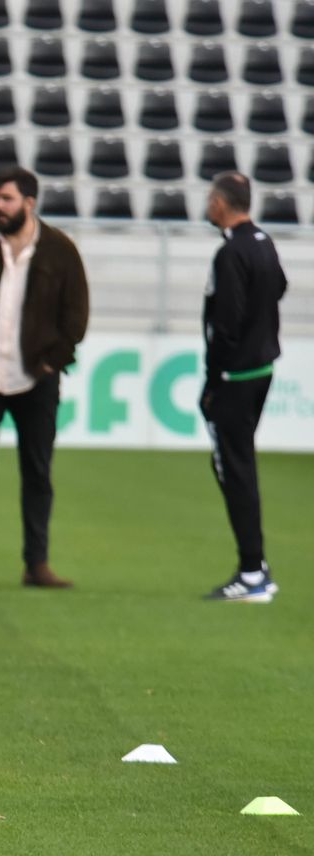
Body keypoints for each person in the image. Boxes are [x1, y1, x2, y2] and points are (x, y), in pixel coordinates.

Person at [0, 167, 89, 589]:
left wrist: (49, 362)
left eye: (5, 198)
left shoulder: (60, 251)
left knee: (38, 473)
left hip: (36, 380)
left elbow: (75, 316)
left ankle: (36, 564)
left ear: (29, 202)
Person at [199, 172, 286, 602]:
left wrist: (212, 382)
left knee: (234, 469)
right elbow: (279, 289)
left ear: (222, 202)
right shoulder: (264, 243)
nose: (207, 205)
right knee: (239, 465)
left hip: (235, 377)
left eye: (211, 198)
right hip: (261, 370)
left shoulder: (231, 252)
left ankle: (252, 572)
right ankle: (256, 566)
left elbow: (225, 324)